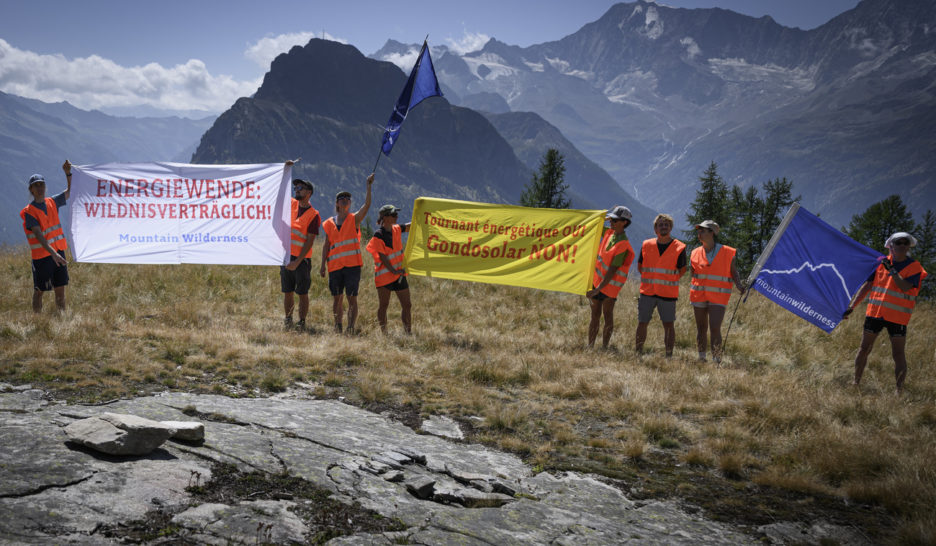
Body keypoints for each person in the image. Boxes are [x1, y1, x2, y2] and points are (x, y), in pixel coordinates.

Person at [843, 232, 927, 394]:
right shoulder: (880, 264)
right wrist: (852, 306)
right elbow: (867, 286)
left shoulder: (915, 267)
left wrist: (893, 271)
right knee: (864, 349)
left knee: (898, 353)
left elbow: (904, 287)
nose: (902, 245)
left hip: (898, 317)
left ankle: (899, 391)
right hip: (875, 313)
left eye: (905, 243)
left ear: (909, 246)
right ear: (891, 246)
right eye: (898, 242)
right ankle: (856, 383)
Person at [320, 173, 374, 334]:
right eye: (342, 198)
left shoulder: (354, 219)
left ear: (350, 203)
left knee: (351, 298)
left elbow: (367, 206)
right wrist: (323, 264)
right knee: (337, 298)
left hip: (352, 266)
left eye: (348, 199)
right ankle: (337, 326)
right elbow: (326, 245)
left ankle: (350, 328)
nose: (345, 200)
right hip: (335, 266)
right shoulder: (329, 223)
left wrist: (368, 187)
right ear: (337, 203)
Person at [689, 220, 745, 362]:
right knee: (701, 328)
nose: (699, 233)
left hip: (718, 296)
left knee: (715, 327)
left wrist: (738, 285)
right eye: (699, 230)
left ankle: (716, 359)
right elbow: (692, 274)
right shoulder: (695, 252)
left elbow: (734, 272)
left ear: (712, 233)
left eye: (703, 230)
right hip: (699, 295)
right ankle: (701, 358)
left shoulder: (727, 252)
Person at [21, 160, 73, 313]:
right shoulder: (29, 211)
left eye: (41, 184)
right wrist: (54, 254)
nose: (39, 188)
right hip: (43, 257)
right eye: (36, 185)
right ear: (31, 189)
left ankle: (61, 320)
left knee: (60, 289)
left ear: (45, 186)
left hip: (58, 252)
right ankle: (37, 321)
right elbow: (39, 236)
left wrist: (68, 173)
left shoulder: (52, 202)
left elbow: (71, 191)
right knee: (39, 290)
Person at [635, 214, 687, 357]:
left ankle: (668, 355)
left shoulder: (679, 247)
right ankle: (638, 352)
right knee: (642, 322)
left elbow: (682, 269)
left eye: (666, 224)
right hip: (647, 292)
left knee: (668, 325)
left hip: (667, 293)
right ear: (655, 228)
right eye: (660, 224)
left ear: (670, 227)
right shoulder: (647, 244)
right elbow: (640, 266)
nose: (664, 227)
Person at [586, 206, 634, 348]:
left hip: (609, 287)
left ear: (624, 222)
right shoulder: (609, 233)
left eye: (615, 220)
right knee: (594, 315)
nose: (611, 222)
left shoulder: (623, 244)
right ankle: (590, 345)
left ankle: (604, 347)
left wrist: (597, 289)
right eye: (611, 219)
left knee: (607, 316)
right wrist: (605, 218)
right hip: (597, 282)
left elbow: (613, 269)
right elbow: (597, 224)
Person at [281, 166, 320, 332]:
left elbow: (309, 242)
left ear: (309, 192)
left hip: (301, 261)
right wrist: (284, 171)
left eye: (300, 188)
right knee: (288, 292)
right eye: (295, 187)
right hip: (286, 257)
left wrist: (297, 262)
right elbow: (279, 192)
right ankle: (288, 319)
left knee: (302, 293)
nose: (296, 190)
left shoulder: (314, 215)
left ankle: (302, 321)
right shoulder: (291, 204)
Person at [365, 204, 412, 334]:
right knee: (384, 305)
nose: (396, 216)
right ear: (385, 217)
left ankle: (408, 333)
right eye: (393, 214)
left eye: (396, 214)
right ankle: (384, 333)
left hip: (399, 275)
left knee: (407, 305)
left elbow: (409, 226)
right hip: (385, 276)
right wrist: (393, 270)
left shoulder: (396, 229)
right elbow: (383, 257)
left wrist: (423, 217)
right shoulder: (378, 235)